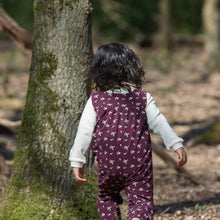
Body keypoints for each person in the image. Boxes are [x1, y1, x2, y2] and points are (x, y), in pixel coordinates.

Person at [69, 43, 187, 220]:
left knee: (106, 198)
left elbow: (84, 132)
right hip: (137, 162)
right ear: (132, 68)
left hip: (108, 162)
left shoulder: (96, 100)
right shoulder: (142, 97)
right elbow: (160, 124)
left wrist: (77, 160)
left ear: (99, 71)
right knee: (142, 201)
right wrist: (175, 144)